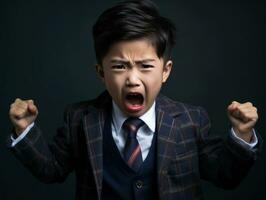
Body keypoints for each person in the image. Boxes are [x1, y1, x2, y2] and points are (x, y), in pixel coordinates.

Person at [7, 0, 262, 200]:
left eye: (145, 66)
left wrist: (242, 135)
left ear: (165, 71)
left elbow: (224, 176)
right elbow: (51, 169)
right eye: (119, 66)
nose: (132, 79)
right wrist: (24, 130)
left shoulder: (191, 120)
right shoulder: (79, 119)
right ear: (101, 73)